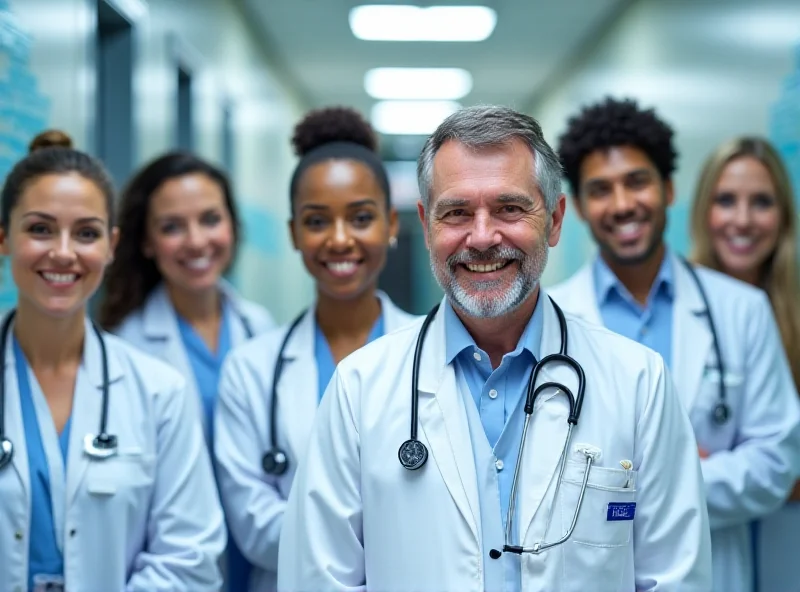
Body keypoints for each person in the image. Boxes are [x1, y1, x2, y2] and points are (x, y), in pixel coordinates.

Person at [276, 105, 712, 592]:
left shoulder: (637, 381)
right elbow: (317, 579)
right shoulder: (359, 388)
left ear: (554, 219)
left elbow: (676, 578)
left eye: (509, 208)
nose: (482, 237)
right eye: (456, 212)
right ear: (426, 225)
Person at [548, 98, 800, 592]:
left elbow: (775, 462)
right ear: (576, 207)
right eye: (600, 190)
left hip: (716, 573)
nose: (622, 204)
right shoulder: (549, 321)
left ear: (668, 189)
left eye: (637, 182)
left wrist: (631, 487)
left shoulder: (742, 309)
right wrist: (683, 472)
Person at [0, 144, 225, 591]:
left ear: (111, 246)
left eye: (86, 233)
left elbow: (189, 556)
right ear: (4, 237)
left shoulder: (160, 391)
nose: (63, 253)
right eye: (40, 229)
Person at [213, 106, 419, 592]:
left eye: (362, 217)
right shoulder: (252, 370)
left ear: (391, 224)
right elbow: (253, 525)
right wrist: (388, 539)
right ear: (293, 234)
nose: (340, 239)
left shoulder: (433, 355)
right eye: (317, 221)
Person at [97, 152, 274, 592]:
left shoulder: (262, 329)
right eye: (172, 227)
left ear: (232, 226)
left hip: (259, 558)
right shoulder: (121, 348)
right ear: (145, 242)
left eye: (210, 219)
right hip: (168, 562)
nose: (196, 241)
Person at [689, 136, 800, 591]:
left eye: (761, 203)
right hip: (709, 550)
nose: (742, 219)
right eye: (725, 200)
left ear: (783, 217)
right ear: (702, 212)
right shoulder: (673, 313)